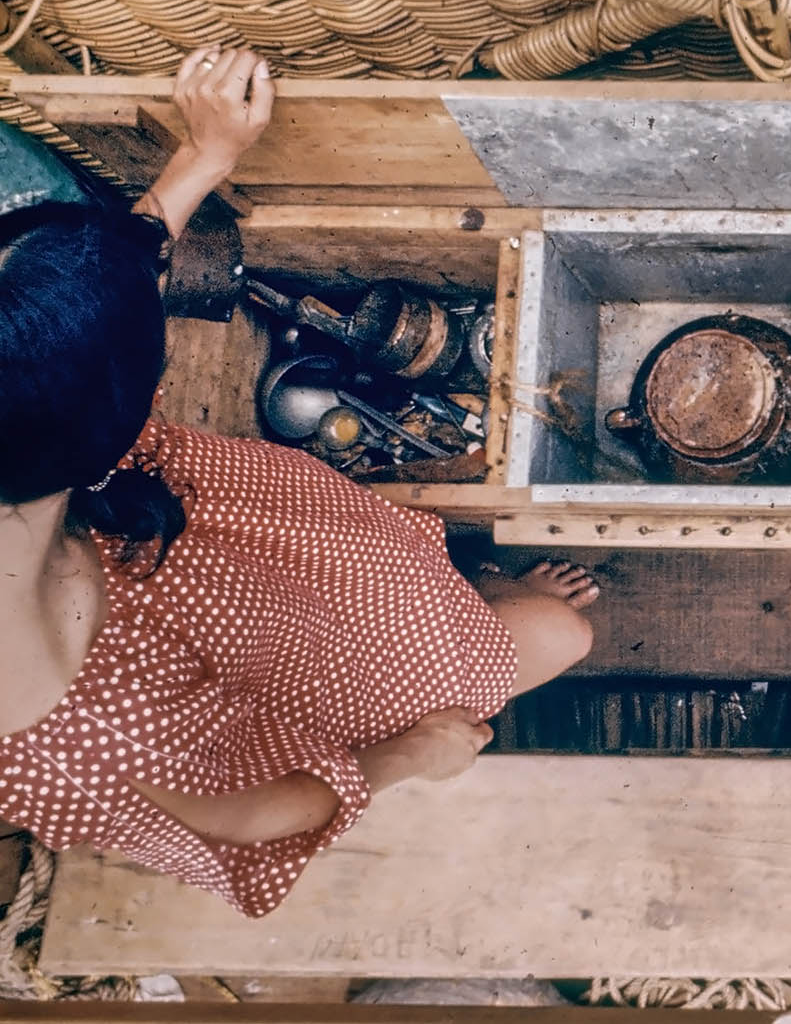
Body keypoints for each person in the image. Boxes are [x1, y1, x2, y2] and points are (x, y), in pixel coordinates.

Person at [0, 47, 601, 918]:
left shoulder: (42, 426)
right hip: (276, 681)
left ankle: (462, 585)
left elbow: (83, 303)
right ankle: (484, 599)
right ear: (114, 421)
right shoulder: (81, 741)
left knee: (407, 565)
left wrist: (203, 157)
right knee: (561, 634)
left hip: (242, 558)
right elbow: (254, 818)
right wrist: (412, 755)